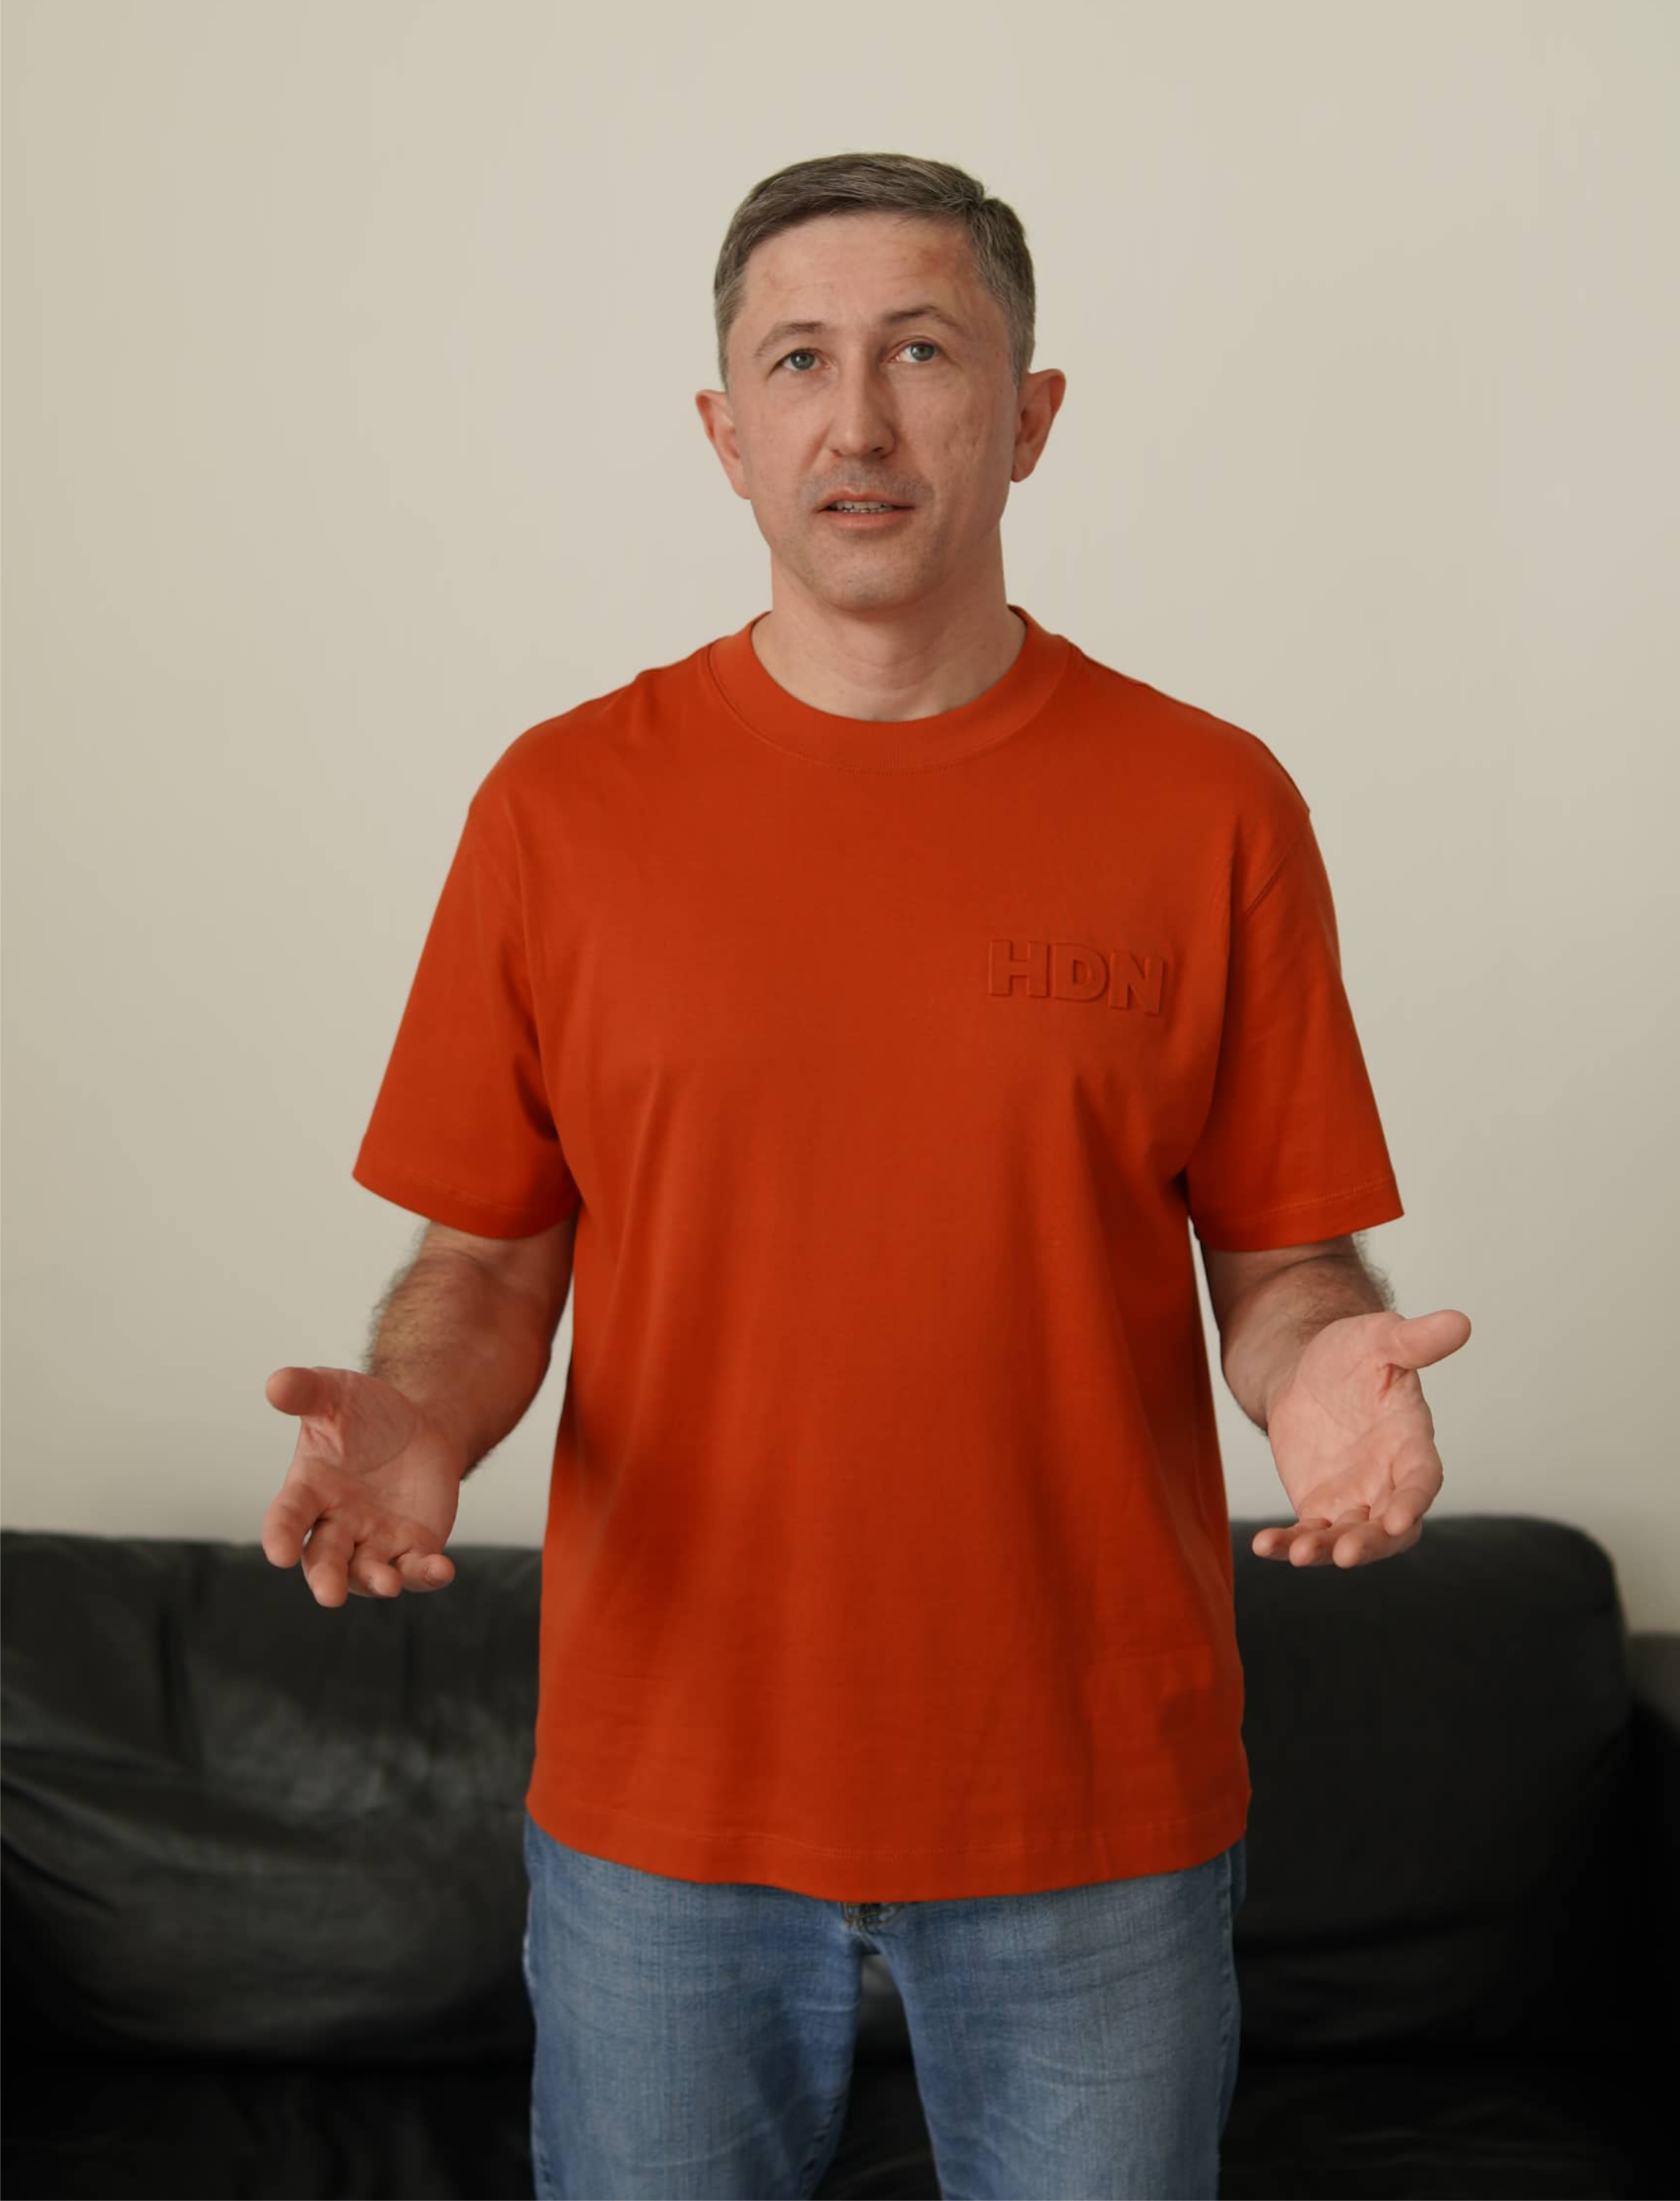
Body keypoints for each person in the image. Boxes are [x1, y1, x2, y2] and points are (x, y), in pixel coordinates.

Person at [262, 151, 1470, 2199]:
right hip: (663, 1812)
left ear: (1030, 412)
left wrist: (1324, 1368)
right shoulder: (561, 809)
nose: (859, 421)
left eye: (922, 352)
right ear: (724, 430)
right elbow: (485, 1260)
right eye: (798, 361)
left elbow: (1281, 1261)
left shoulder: (1210, 805)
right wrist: (418, 1415)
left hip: (1092, 1809)